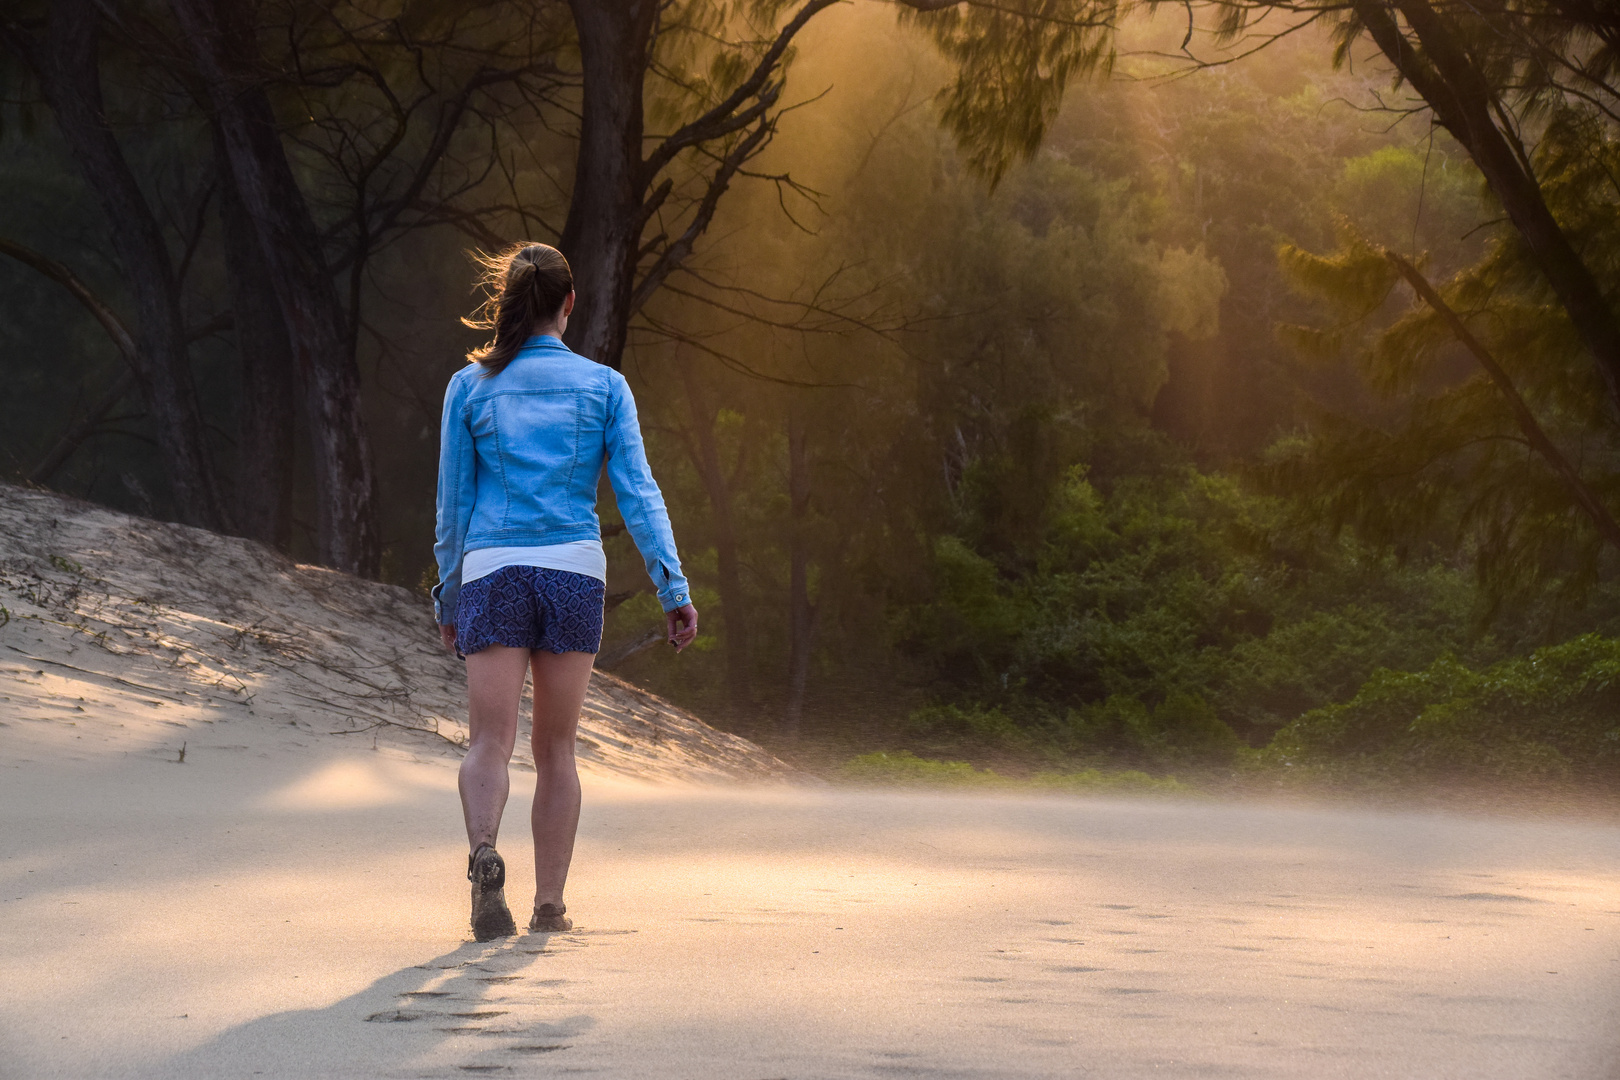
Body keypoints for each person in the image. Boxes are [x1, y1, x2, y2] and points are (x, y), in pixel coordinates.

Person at [432, 242, 698, 941]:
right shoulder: (605, 387)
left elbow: (452, 506)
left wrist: (447, 597)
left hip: (494, 571)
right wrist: (672, 585)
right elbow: (639, 494)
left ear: (509, 302)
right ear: (569, 303)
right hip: (574, 572)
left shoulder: (469, 388)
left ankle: (484, 854)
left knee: (489, 740)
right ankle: (550, 906)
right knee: (557, 750)